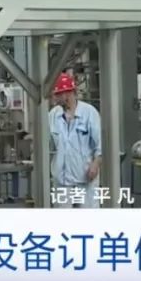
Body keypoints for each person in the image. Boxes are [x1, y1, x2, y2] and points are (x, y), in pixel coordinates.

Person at [49, 72, 102, 208]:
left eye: (57, 95)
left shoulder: (89, 113)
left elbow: (101, 144)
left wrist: (95, 164)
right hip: (62, 182)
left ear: (67, 94)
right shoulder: (53, 115)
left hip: (85, 180)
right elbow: (48, 144)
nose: (55, 98)